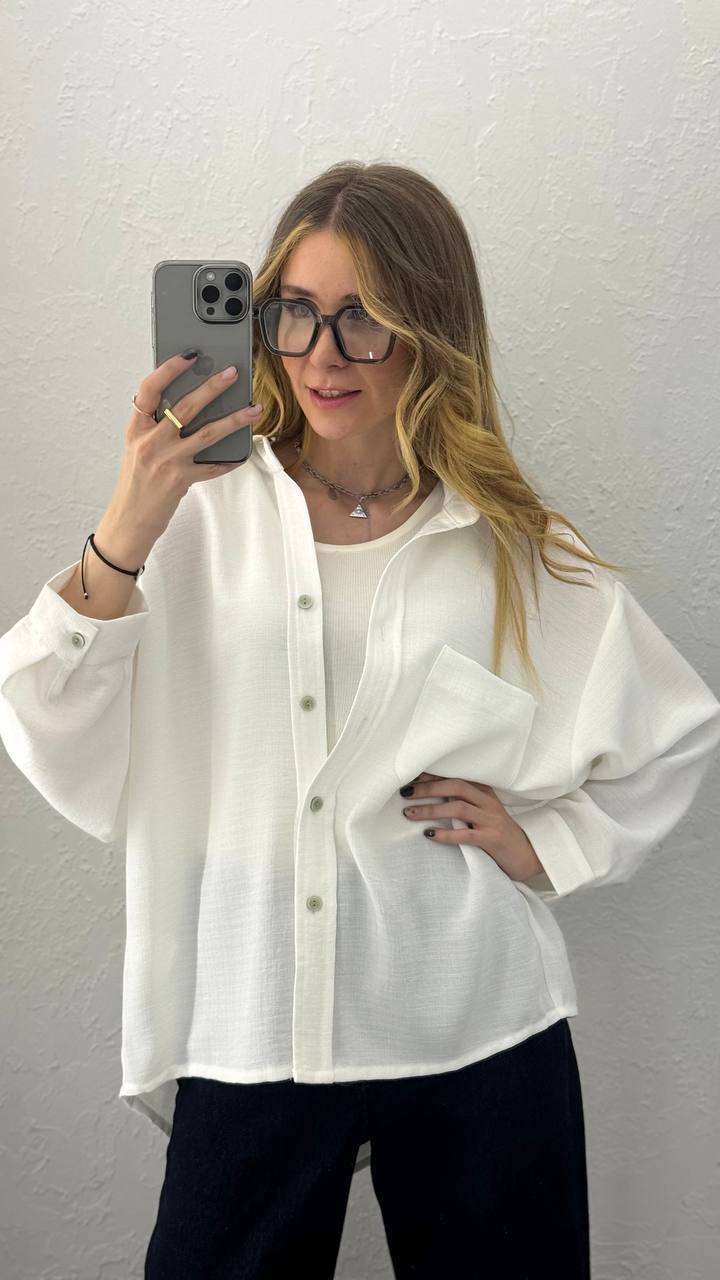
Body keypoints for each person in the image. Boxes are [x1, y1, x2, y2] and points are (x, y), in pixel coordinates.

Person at [1, 161, 719, 1280]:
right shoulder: (197, 513)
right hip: (250, 1020)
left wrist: (547, 840)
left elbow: (674, 725)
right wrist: (127, 524)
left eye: (364, 318)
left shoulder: (499, 538)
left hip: (474, 1021)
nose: (321, 355)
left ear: (430, 331)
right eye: (293, 311)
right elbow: (45, 716)